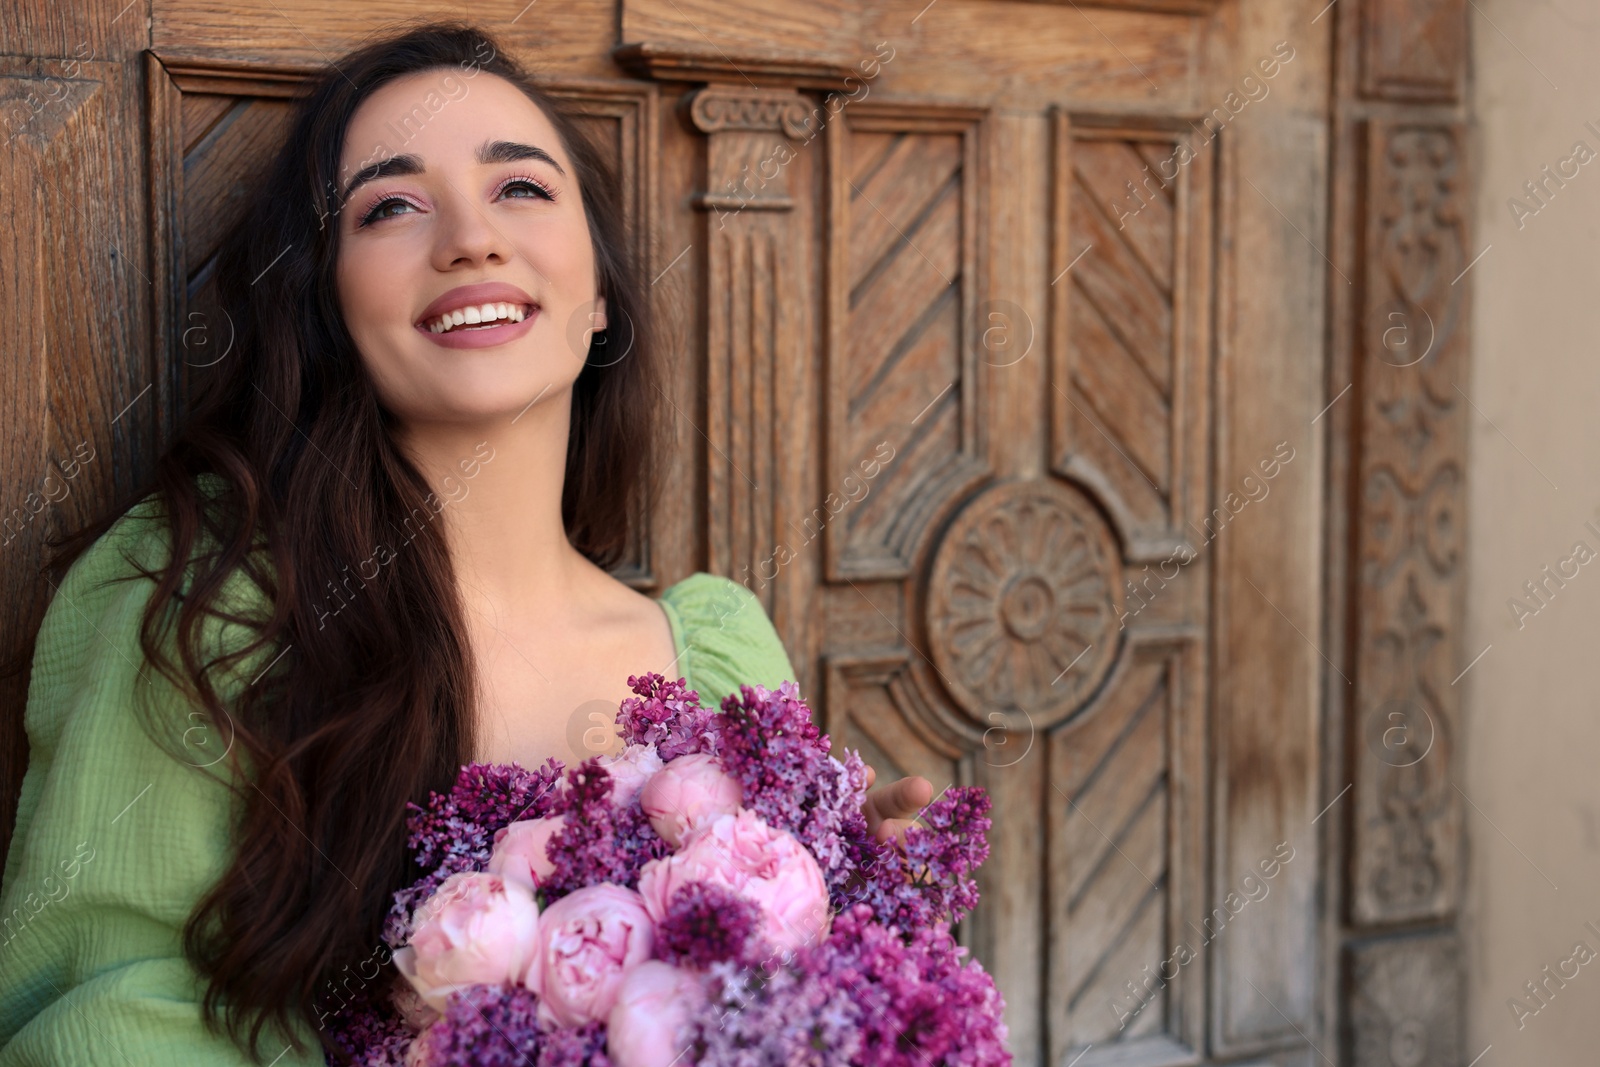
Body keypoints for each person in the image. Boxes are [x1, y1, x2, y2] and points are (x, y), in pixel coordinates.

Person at [0, 22, 931, 1066]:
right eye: (390, 205)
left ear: (600, 298)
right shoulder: (201, 601)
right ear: (326, 304)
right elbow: (101, 1017)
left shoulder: (720, 656)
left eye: (521, 188)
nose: (470, 238)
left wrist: (862, 921)